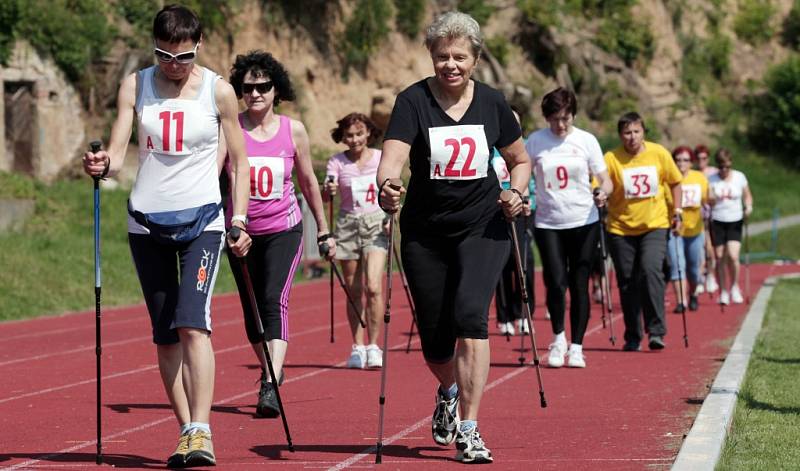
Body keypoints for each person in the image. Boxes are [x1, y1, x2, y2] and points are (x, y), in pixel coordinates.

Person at [82, 5, 251, 467]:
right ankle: (185, 431)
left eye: (183, 57)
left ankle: (203, 430)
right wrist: (102, 166)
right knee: (164, 335)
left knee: (192, 322)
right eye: (164, 56)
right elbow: (118, 151)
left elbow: (240, 161)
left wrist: (240, 219)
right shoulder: (136, 85)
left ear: (198, 47)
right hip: (146, 221)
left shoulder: (219, 91)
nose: (173, 66)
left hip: (203, 221)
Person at [377, 11, 530, 464]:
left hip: (483, 226)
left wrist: (515, 193)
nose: (451, 65)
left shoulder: (493, 103)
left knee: (470, 318)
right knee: (435, 339)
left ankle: (469, 427)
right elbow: (392, 160)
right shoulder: (412, 102)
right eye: (442, 56)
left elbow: (520, 160)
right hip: (425, 231)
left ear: (476, 59)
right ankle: (447, 389)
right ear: (431, 56)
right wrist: (387, 185)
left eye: (460, 57)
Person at [221, 50, 335, 419]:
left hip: (284, 229)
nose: (255, 94)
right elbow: (212, 176)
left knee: (274, 300)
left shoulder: (293, 130)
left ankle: (268, 384)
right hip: (241, 234)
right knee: (251, 315)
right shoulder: (229, 129)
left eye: (263, 86)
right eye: (247, 87)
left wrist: (324, 230)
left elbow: (308, 182)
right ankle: (272, 367)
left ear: (276, 90)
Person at [525, 87, 612, 368]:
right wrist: (521, 195)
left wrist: (603, 192)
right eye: (554, 119)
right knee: (554, 280)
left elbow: (605, 178)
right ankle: (558, 338)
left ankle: (577, 346)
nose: (560, 125)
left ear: (573, 115)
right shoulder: (536, 142)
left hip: (583, 219)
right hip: (549, 222)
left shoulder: (586, 141)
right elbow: (522, 173)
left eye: (565, 118)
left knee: (579, 282)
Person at [604, 112, 682, 352]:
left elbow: (675, 181)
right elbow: (600, 182)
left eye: (636, 131)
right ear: (620, 135)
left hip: (654, 225)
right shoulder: (611, 158)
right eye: (627, 133)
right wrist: (600, 193)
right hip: (620, 228)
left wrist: (677, 211)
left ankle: (656, 331)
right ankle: (633, 335)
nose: (632, 137)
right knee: (627, 281)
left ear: (643, 132)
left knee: (650, 271)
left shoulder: (658, 153)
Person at [323, 112, 388, 369]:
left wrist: (391, 214)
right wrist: (328, 190)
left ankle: (374, 345)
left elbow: (394, 187)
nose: (354, 139)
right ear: (343, 137)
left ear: (368, 133)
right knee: (354, 291)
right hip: (348, 225)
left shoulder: (381, 158)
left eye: (359, 134)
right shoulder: (337, 162)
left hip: (376, 223)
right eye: (349, 135)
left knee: (373, 286)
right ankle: (358, 346)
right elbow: (327, 196)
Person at [490, 110, 535, 337]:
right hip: (496, 211)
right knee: (501, 264)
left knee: (523, 262)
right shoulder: (491, 149)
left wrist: (530, 202)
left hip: (522, 210)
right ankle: (504, 315)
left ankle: (525, 314)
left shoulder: (526, 147)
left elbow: (533, 180)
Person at [666, 146, 709, 312]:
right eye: (678, 160)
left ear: (691, 162)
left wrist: (710, 204)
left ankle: (693, 294)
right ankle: (681, 301)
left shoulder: (699, 178)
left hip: (694, 230)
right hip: (675, 230)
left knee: (693, 268)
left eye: (685, 160)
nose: (681, 163)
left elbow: (707, 199)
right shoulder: (668, 178)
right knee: (677, 265)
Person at [708, 148, 753, 305]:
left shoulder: (739, 177)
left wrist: (748, 206)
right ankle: (724, 290)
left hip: (735, 220)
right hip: (718, 220)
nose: (724, 170)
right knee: (720, 257)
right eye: (720, 167)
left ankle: (734, 286)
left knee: (733, 256)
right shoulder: (711, 179)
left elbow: (747, 195)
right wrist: (711, 199)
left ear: (730, 164)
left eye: (726, 166)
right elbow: (708, 200)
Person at [694, 143, 719, 295]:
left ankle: (710, 275)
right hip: (697, 216)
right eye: (698, 158)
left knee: (710, 248)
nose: (701, 160)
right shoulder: (692, 173)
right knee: (701, 248)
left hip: (713, 215)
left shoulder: (714, 173)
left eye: (704, 158)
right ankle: (701, 276)